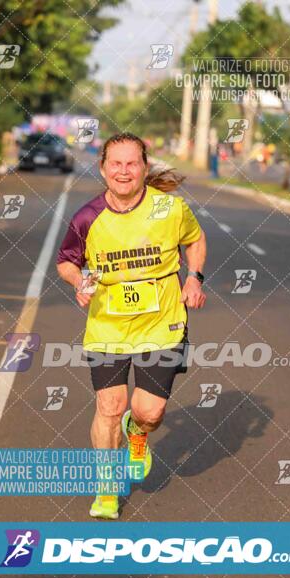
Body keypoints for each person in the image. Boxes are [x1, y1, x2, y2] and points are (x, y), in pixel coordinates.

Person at [56, 132, 206, 519]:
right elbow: (67, 261)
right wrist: (80, 282)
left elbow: (195, 238)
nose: (123, 171)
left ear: (144, 167)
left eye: (132, 163)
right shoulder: (87, 217)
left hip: (162, 324)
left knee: (149, 413)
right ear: (103, 168)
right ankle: (106, 488)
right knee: (109, 405)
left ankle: (137, 434)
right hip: (108, 326)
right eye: (116, 164)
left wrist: (194, 278)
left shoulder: (168, 209)